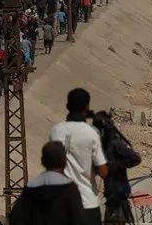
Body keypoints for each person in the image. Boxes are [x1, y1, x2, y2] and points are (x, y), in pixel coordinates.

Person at [49, 88, 108, 225]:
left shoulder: (56, 131)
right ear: (87, 108)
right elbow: (103, 171)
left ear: (67, 106)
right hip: (86, 203)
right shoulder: (91, 132)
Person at [8, 141, 84, 225]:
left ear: (43, 161)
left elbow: (16, 218)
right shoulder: (70, 189)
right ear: (64, 161)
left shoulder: (30, 189)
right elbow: (79, 219)